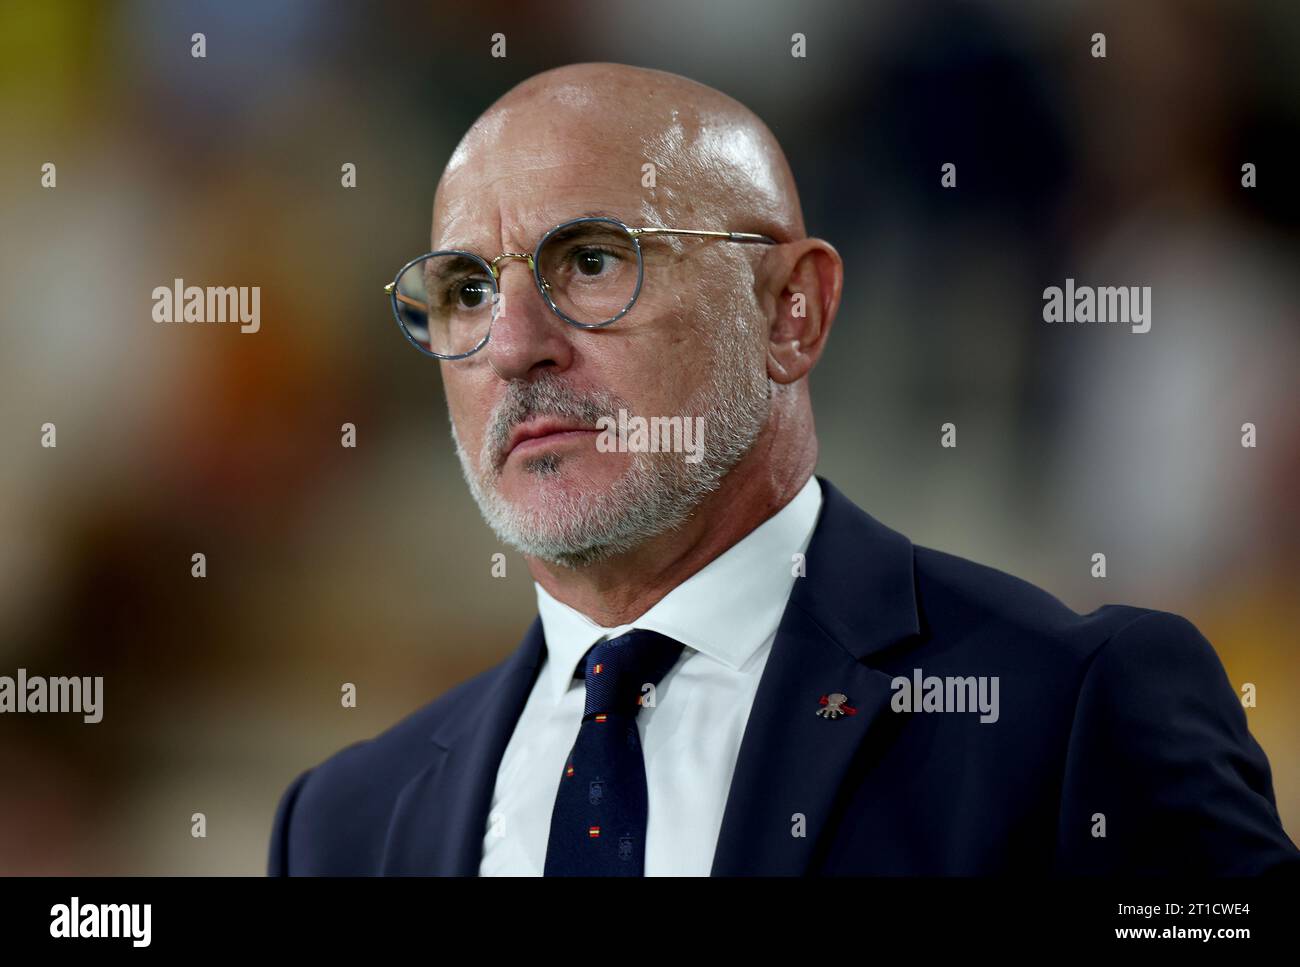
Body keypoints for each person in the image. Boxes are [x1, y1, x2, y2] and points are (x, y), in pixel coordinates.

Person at [268, 62, 1298, 876]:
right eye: (464, 289)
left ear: (787, 310)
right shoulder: (343, 826)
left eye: (590, 261)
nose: (511, 344)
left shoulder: (1067, 713)